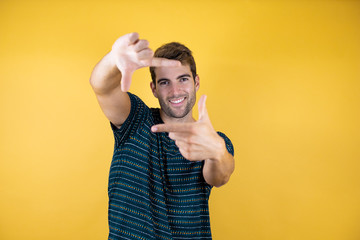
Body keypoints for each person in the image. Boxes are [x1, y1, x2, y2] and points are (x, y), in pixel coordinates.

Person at [90, 32, 235, 240]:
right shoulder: (136, 118)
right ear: (154, 89)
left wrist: (217, 152)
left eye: (183, 79)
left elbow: (220, 176)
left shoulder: (211, 140)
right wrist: (113, 59)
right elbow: (102, 86)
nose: (175, 91)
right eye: (165, 82)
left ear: (196, 82)